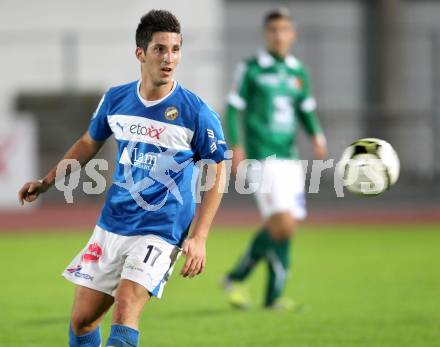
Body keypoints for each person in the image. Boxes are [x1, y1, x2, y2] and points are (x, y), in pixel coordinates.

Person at [18, 10, 227, 347]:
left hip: (161, 230)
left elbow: (218, 170)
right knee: (83, 322)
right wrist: (47, 181)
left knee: (126, 305)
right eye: (160, 49)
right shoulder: (116, 99)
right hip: (113, 224)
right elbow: (88, 143)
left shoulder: (197, 111)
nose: (169, 58)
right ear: (140, 53)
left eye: (175, 49)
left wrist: (200, 236)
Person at [223, 8, 327, 310]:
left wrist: (316, 136)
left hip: (289, 159)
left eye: (284, 30)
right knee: (281, 223)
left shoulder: (298, 72)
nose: (279, 36)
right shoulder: (252, 68)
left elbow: (306, 110)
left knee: (286, 227)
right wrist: (237, 146)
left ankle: (272, 297)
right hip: (261, 157)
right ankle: (236, 277)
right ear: (265, 34)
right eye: (273, 30)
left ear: (292, 34)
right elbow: (232, 108)